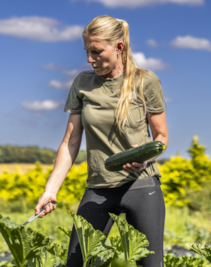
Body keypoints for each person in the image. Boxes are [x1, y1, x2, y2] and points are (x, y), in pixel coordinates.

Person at [34, 15, 168, 267]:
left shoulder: (145, 81)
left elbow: (161, 138)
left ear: (119, 47)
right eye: (86, 51)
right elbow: (70, 143)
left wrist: (144, 156)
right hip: (98, 188)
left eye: (96, 51)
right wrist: (50, 191)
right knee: (76, 263)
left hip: (141, 187)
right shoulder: (82, 83)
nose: (89, 59)